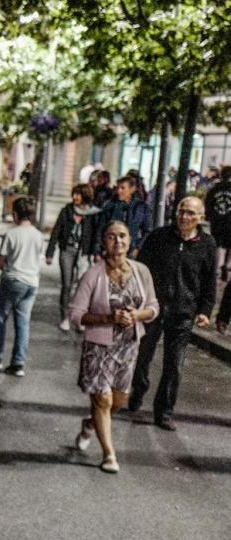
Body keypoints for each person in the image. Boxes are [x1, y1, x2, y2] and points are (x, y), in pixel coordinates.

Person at [69, 221, 159, 473]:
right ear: (104, 243)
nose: (117, 241)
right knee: (103, 400)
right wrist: (109, 318)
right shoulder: (94, 274)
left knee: (119, 399)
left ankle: (90, 424)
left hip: (128, 347)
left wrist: (136, 315)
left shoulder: (141, 272)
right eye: (111, 237)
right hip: (98, 346)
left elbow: (153, 307)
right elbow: (76, 314)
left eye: (122, 236)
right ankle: (109, 454)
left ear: (130, 241)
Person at [126, 196, 218, 430]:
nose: (184, 217)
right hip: (153, 309)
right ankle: (139, 387)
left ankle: (164, 412)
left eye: (189, 213)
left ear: (201, 218)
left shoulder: (207, 245)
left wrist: (205, 311)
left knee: (174, 365)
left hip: (183, 313)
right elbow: (140, 268)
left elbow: (209, 281)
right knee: (142, 355)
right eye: (181, 211)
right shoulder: (159, 237)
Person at [0, 197, 44, 376]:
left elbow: (1, 261)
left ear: (15, 215)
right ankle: (18, 363)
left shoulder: (12, 234)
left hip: (13, 280)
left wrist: (10, 268)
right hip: (32, 283)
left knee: (0, 318)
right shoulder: (38, 235)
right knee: (23, 324)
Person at [46, 184, 100, 331]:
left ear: (85, 196)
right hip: (67, 251)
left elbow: (96, 235)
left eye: (78, 194)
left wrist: (96, 253)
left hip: (84, 253)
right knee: (67, 285)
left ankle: (79, 317)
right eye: (74, 194)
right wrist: (50, 252)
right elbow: (56, 231)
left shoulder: (93, 213)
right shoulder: (67, 210)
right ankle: (64, 318)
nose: (75, 197)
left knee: (83, 287)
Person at [94, 176, 152, 258]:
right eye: (118, 188)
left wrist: (138, 248)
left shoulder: (141, 207)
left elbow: (147, 231)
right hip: (111, 251)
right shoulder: (110, 206)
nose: (119, 191)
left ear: (132, 189)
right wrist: (97, 251)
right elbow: (101, 228)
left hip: (131, 252)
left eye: (122, 188)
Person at [204, 166, 231, 281]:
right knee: (230, 245)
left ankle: (216, 268)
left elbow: (207, 204)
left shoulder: (215, 188)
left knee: (217, 245)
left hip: (217, 221)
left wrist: (210, 217)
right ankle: (227, 265)